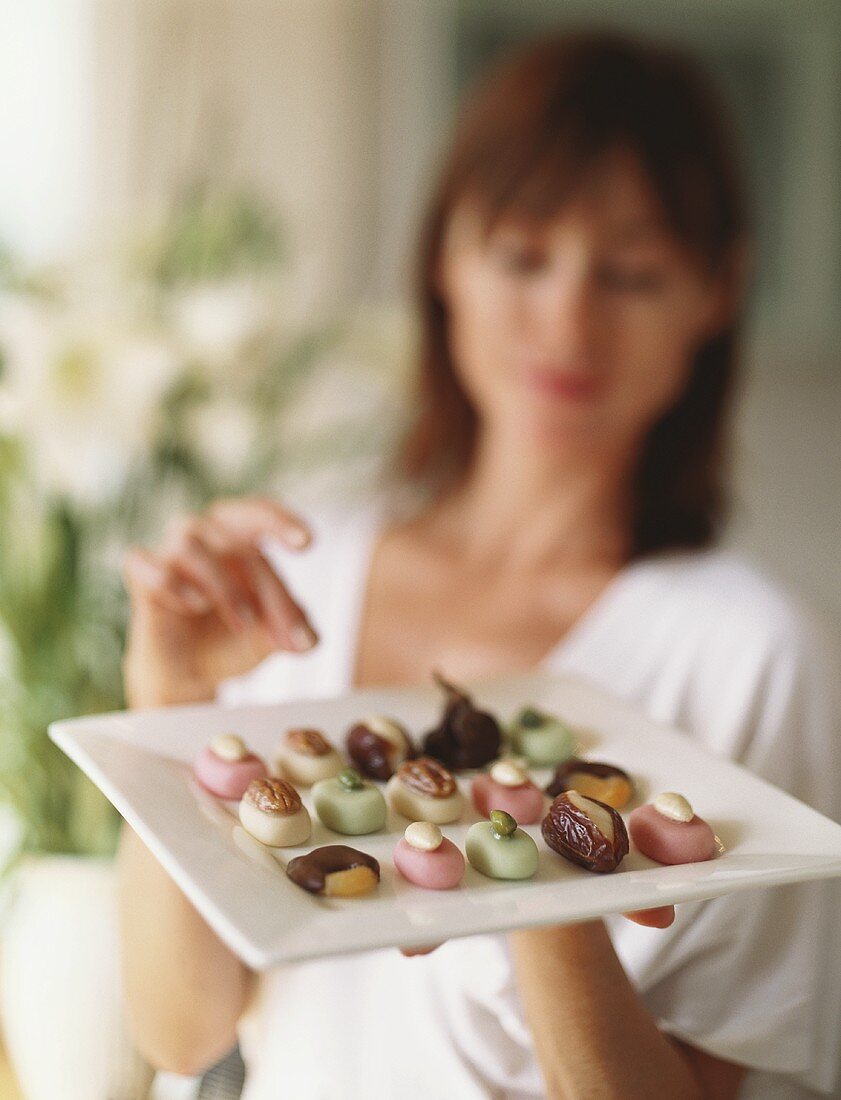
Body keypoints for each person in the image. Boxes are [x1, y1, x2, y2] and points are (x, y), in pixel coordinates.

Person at [117, 32, 841, 1100]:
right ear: (444, 259)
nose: (567, 318)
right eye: (520, 253)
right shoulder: (287, 582)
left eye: (631, 272)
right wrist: (168, 706)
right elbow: (181, 1032)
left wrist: (540, 887)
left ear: (716, 291)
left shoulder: (747, 652)